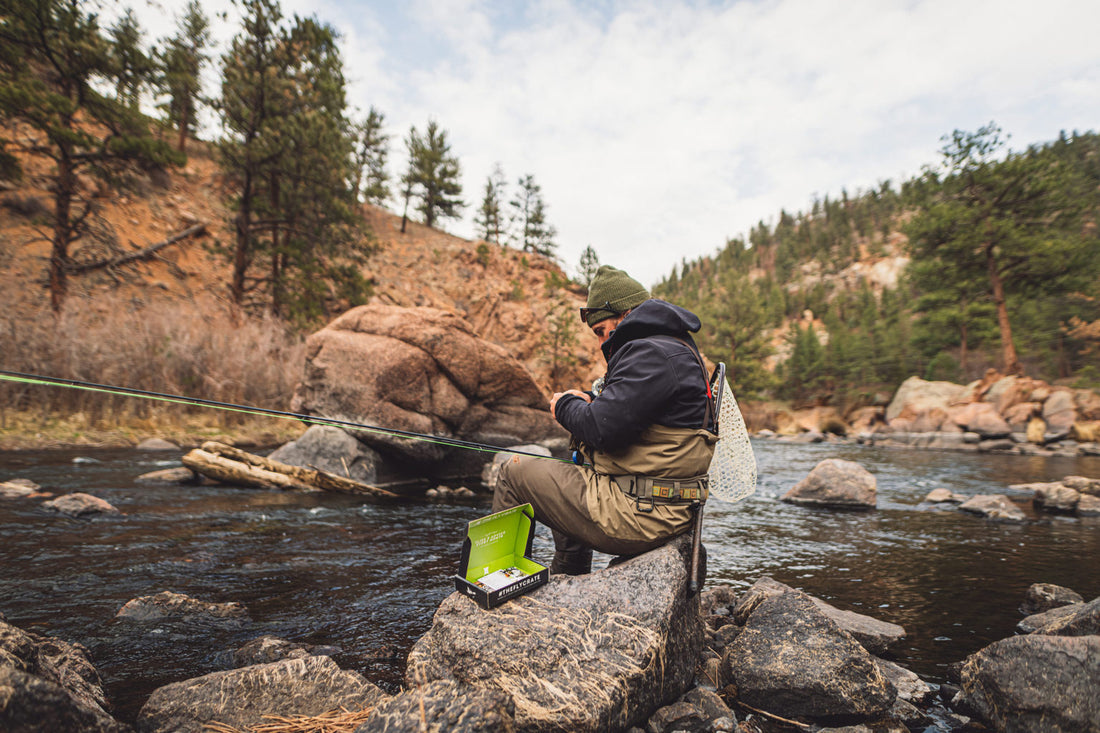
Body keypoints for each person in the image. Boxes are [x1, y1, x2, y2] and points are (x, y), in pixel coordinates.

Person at [492, 265, 717, 575]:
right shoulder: (670, 347)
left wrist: (564, 405)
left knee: (513, 472)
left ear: (623, 315)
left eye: (601, 331)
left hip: (642, 515)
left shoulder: (650, 353)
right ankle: (568, 579)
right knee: (572, 474)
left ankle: (498, 580)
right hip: (664, 504)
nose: (600, 343)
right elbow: (633, 409)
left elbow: (601, 428)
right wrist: (593, 400)